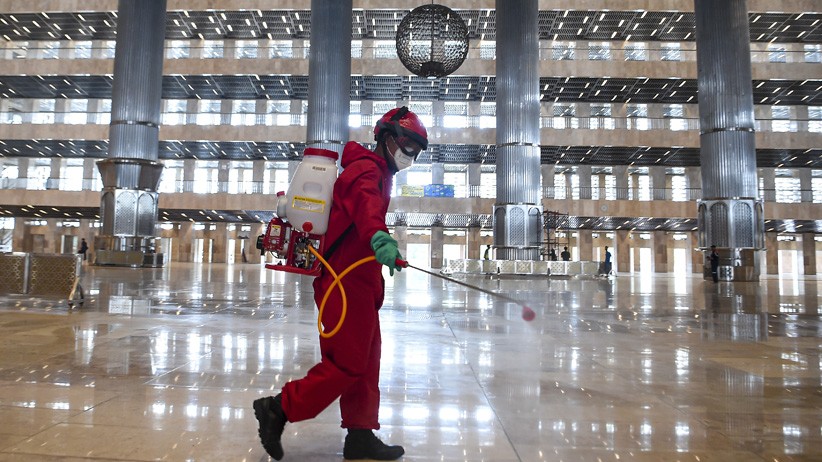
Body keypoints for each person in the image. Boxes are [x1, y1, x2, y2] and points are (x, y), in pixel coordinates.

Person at [253, 107, 428, 461]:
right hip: (342, 283)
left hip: (360, 284)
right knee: (346, 363)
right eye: (407, 144)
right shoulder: (365, 171)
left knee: (366, 361)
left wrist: (378, 243)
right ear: (387, 138)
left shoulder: (380, 173)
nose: (410, 153)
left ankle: (360, 434)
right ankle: (278, 407)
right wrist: (380, 237)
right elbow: (367, 211)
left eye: (416, 148)